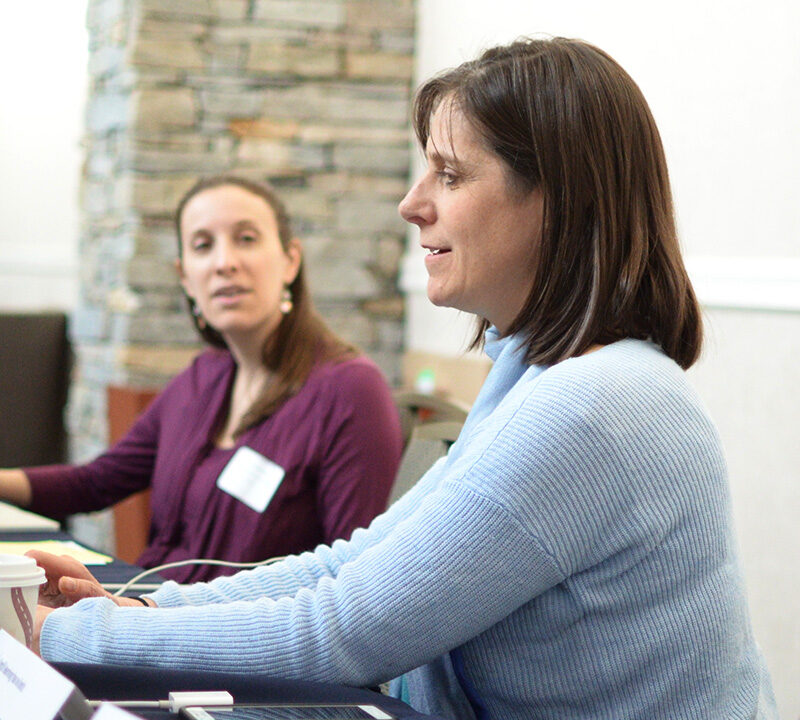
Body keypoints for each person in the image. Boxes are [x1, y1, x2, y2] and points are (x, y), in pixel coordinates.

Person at [31, 38, 777, 719]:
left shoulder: (596, 404)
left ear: (558, 199)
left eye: (448, 174)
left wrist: (80, 636)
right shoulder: (534, 370)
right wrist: (146, 607)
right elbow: (358, 560)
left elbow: (346, 627)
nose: (411, 203)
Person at [1, 175, 403, 582]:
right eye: (202, 245)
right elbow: (96, 482)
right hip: (148, 609)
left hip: (234, 637)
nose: (224, 262)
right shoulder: (201, 379)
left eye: (246, 239)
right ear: (185, 277)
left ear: (290, 261)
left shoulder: (351, 391)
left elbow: (353, 580)